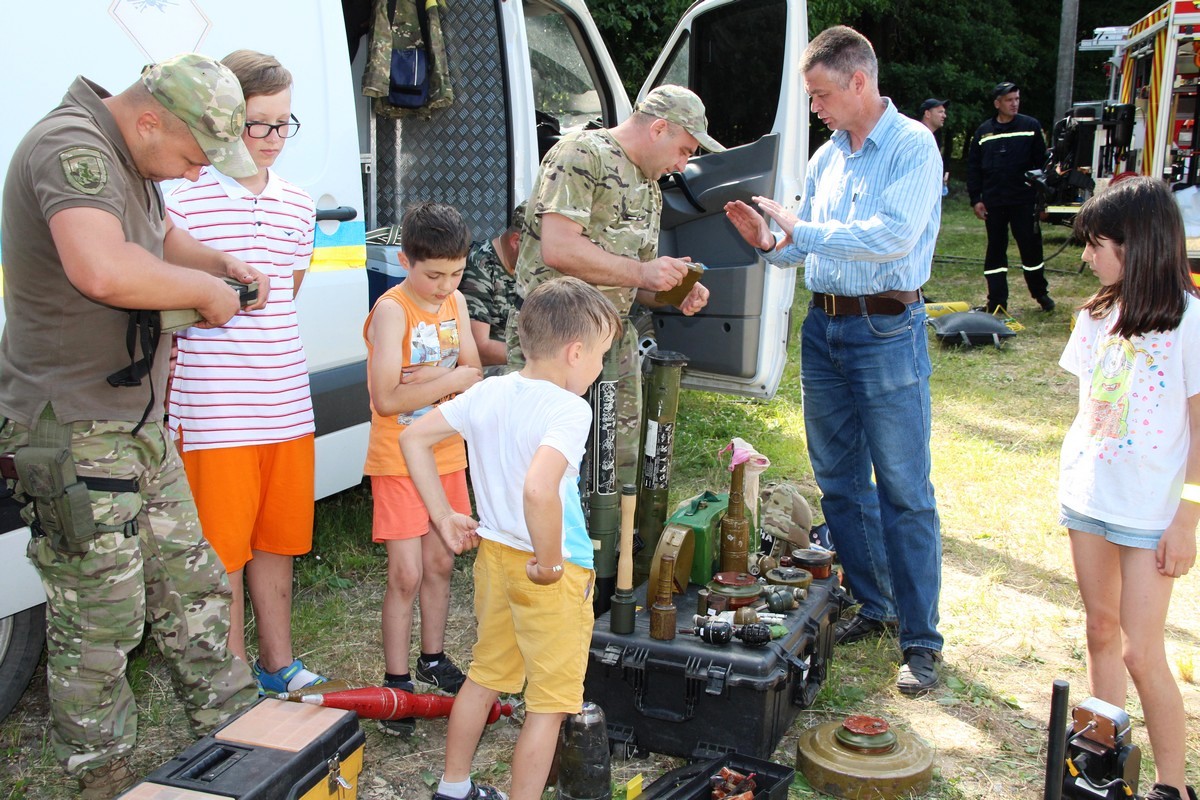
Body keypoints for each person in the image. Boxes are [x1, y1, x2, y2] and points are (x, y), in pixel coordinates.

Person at [0, 53, 266, 797]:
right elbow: (102, 268)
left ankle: (243, 733)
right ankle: (104, 776)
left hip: (135, 427)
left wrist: (218, 262)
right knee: (100, 620)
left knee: (193, 587)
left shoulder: (130, 156)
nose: (194, 173)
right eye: (192, 156)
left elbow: (157, 239)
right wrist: (205, 293)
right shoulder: (70, 147)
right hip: (69, 431)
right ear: (150, 120)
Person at [724, 25, 944, 694]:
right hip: (824, 329)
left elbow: (891, 236)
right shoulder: (827, 159)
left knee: (904, 491)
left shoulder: (913, 146)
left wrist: (804, 228)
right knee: (840, 482)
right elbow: (805, 250)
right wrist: (768, 241)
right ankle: (875, 605)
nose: (814, 108)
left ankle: (921, 642)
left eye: (820, 95)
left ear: (858, 81)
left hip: (886, 329)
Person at [401, 276, 621, 800]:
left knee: (484, 676)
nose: (598, 369)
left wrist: (443, 516)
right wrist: (549, 562)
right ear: (575, 353)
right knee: (548, 707)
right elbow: (539, 489)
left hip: (495, 558)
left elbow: (413, 437)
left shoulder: (489, 390)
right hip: (550, 571)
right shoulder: (571, 409)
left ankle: (453, 787)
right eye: (600, 357)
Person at [164, 50, 327, 695]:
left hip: (286, 403)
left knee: (277, 540)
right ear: (227, 120)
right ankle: (234, 681)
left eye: (284, 124)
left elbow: (287, 294)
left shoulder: (298, 205)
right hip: (214, 411)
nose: (272, 139)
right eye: (259, 124)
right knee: (223, 552)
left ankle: (278, 664)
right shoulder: (181, 202)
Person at [1060, 177, 1199, 800]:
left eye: (1097, 244)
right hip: (1089, 501)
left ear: (1137, 245)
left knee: (1142, 651)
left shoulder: (1189, 322)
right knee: (1100, 631)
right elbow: (1090, 410)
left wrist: (1187, 519)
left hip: (1150, 514)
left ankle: (1173, 786)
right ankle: (1100, 759)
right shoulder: (1094, 315)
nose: (1087, 256)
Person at [511, 84, 717, 492]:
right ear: (659, 128)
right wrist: (643, 273)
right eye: (684, 150)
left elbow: (633, 281)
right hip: (554, 338)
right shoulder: (582, 154)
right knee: (539, 462)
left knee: (613, 468)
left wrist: (675, 291)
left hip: (612, 341)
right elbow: (558, 247)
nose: (682, 165)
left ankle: (607, 535)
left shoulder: (651, 188)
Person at [362, 200, 481, 736]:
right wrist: (449, 381)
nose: (445, 285)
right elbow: (387, 399)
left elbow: (474, 369)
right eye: (434, 275)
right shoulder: (392, 311)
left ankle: (432, 657)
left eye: (456, 273)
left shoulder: (456, 301)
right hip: (398, 459)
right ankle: (397, 680)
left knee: (440, 562)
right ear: (405, 261)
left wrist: (435, 381)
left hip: (447, 453)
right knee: (405, 573)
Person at [967, 81, 1054, 314]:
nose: (1014, 104)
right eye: (1009, 100)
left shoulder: (1030, 126)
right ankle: (996, 301)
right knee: (996, 250)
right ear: (997, 104)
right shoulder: (983, 132)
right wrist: (976, 199)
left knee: (1031, 247)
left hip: (1024, 200)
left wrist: (1042, 199)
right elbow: (974, 168)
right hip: (994, 202)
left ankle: (1040, 293)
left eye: (1017, 99)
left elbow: (1043, 165)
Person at [461, 201, 526, 375]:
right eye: (535, 249)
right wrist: (539, 358)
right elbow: (479, 348)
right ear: (515, 241)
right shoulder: (480, 262)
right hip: (491, 370)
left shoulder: (532, 269)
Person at [918, 98, 949, 197]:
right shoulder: (920, 137)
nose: (944, 115)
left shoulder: (929, 137)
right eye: (940, 112)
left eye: (944, 112)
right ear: (927, 114)